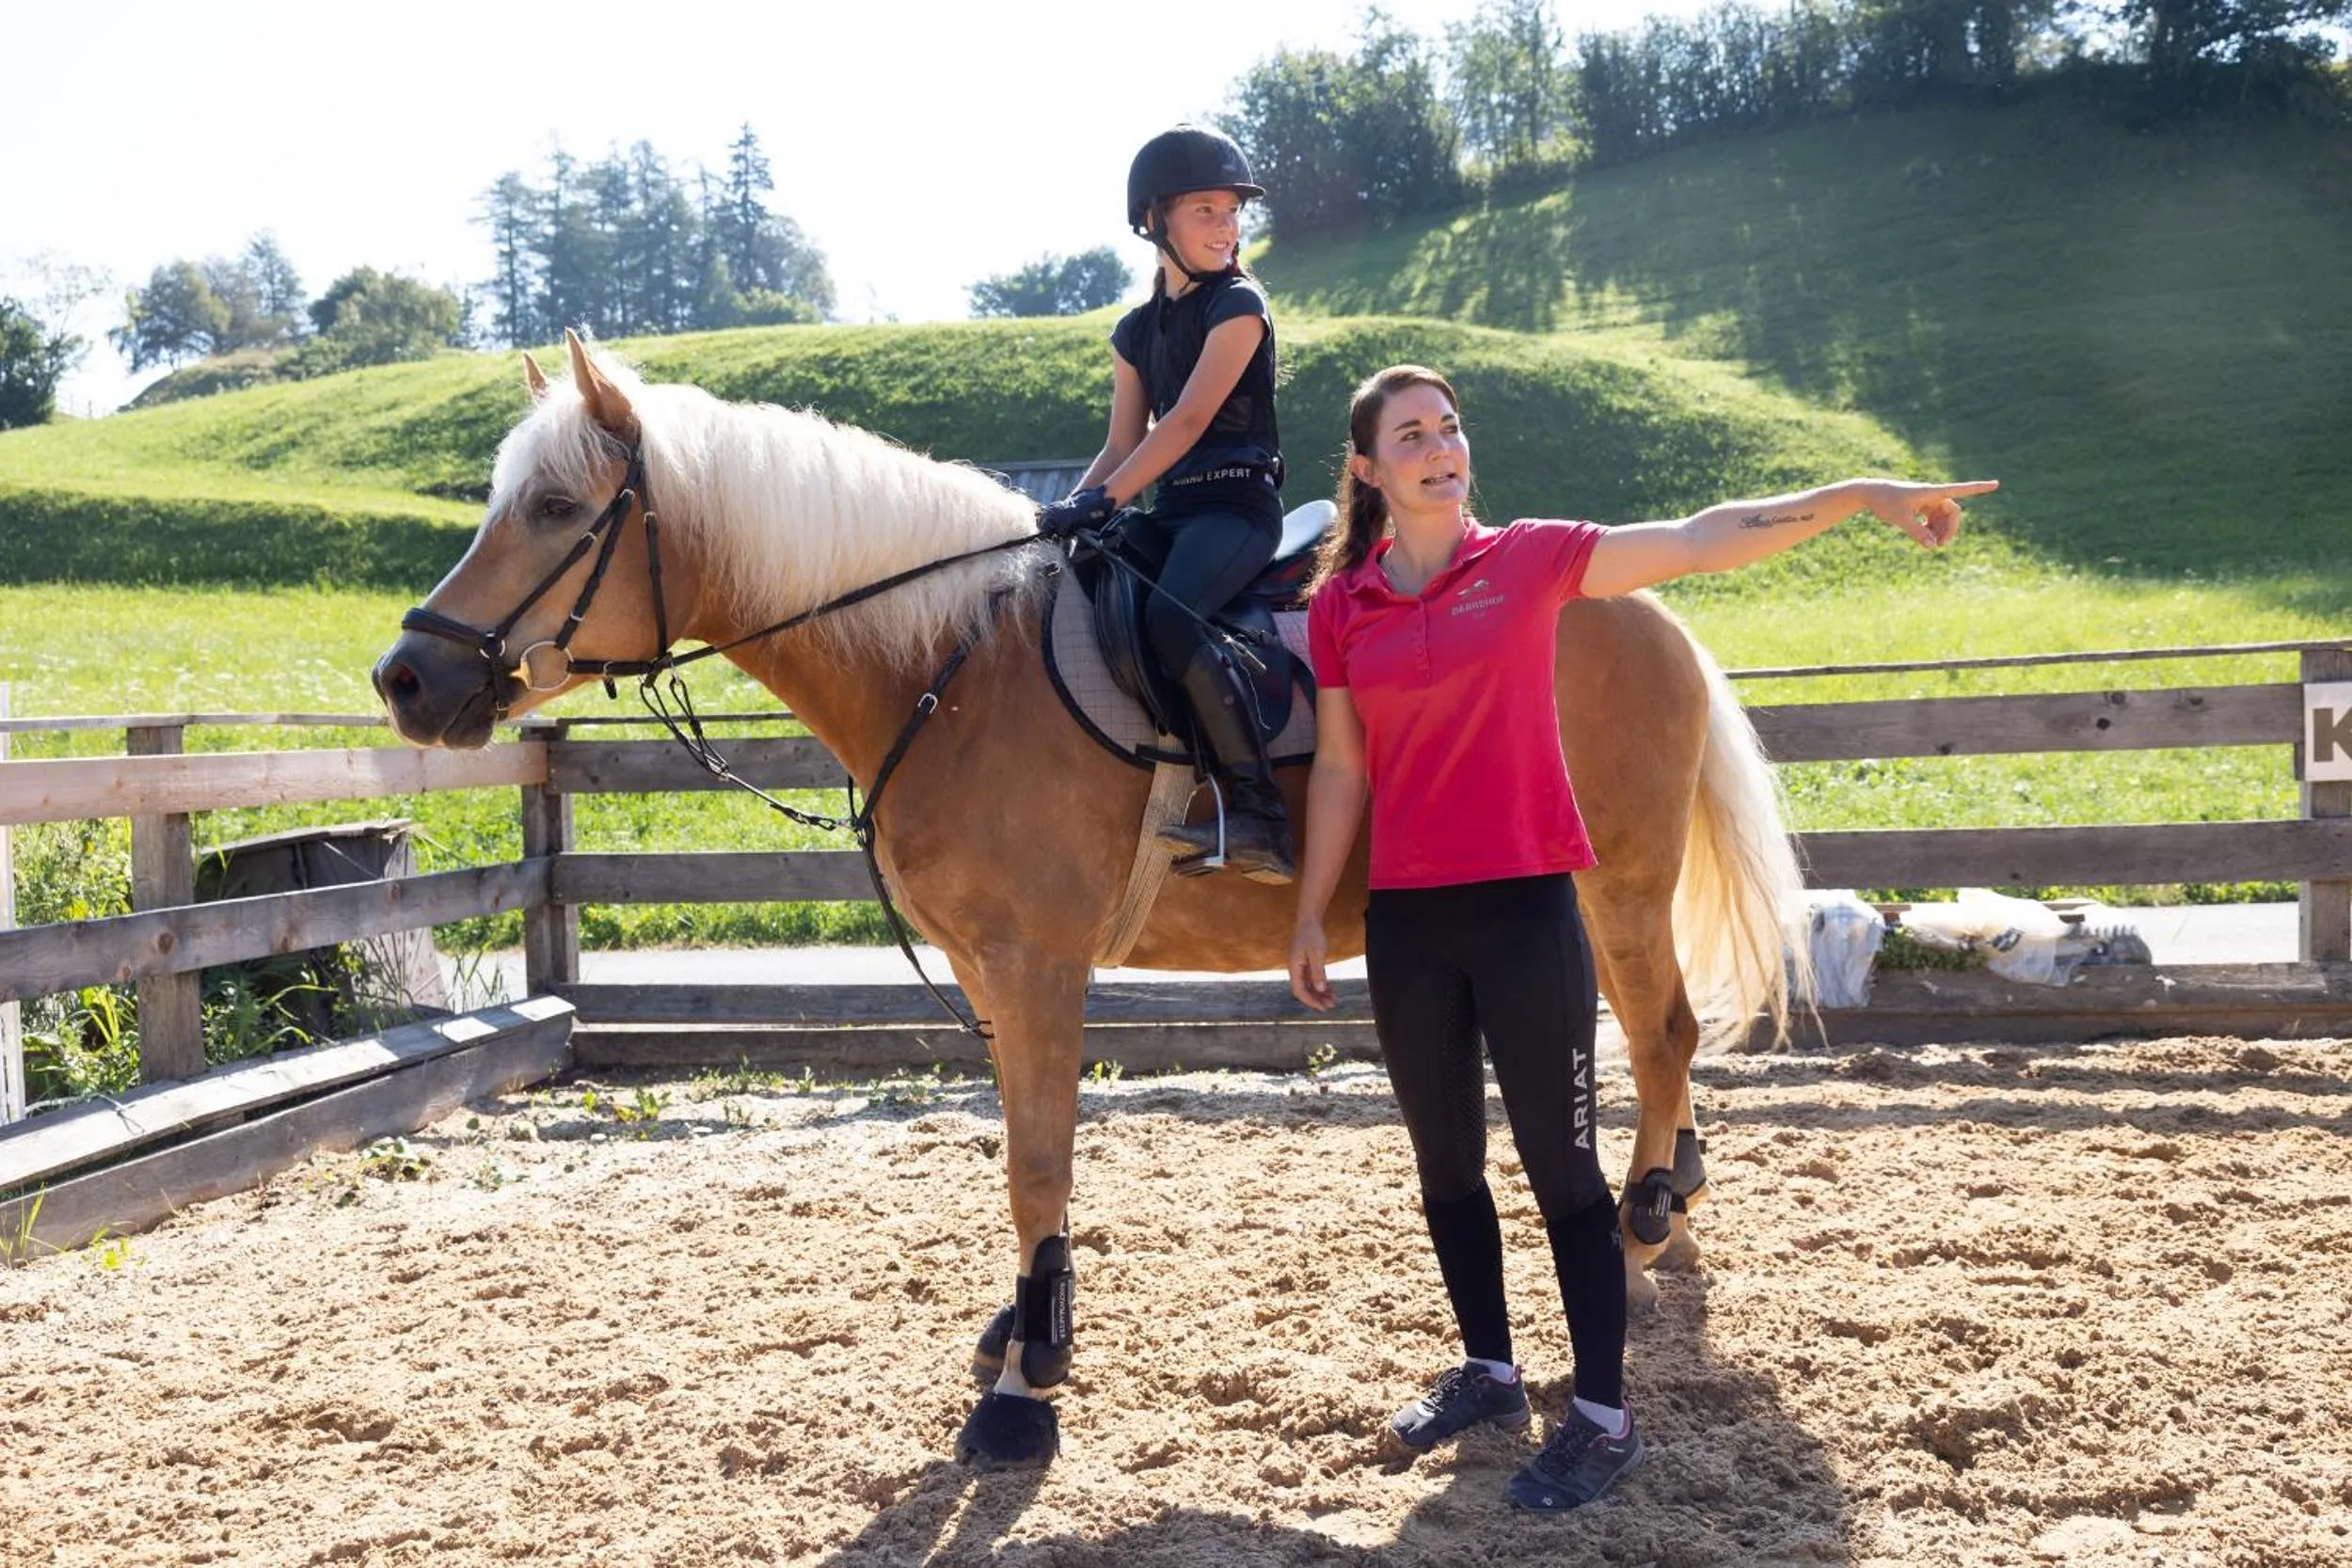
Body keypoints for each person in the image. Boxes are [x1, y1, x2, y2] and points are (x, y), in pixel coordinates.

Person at [1287, 363, 1994, 1512]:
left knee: (1563, 1172)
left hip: (1524, 911)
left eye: (1450, 427)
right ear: (1366, 468)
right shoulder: (1340, 605)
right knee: (1446, 1165)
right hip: (1408, 917)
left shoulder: (1526, 559)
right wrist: (1314, 907)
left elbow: (1703, 538)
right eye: (1410, 433)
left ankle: (1603, 1417)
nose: (1440, 445)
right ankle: (1489, 1370)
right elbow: (1339, 765)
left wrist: (1862, 491)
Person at [1034, 125, 1295, 883]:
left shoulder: (1240, 305)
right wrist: (1065, 514)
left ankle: (1260, 813)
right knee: (1081, 584)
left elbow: (1184, 423)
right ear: (1158, 223)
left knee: (1170, 615)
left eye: (1231, 212)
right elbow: (1121, 446)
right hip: (1171, 510)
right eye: (1206, 212)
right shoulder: (1134, 332)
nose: (1227, 227)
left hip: (1238, 509)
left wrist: (1106, 499)